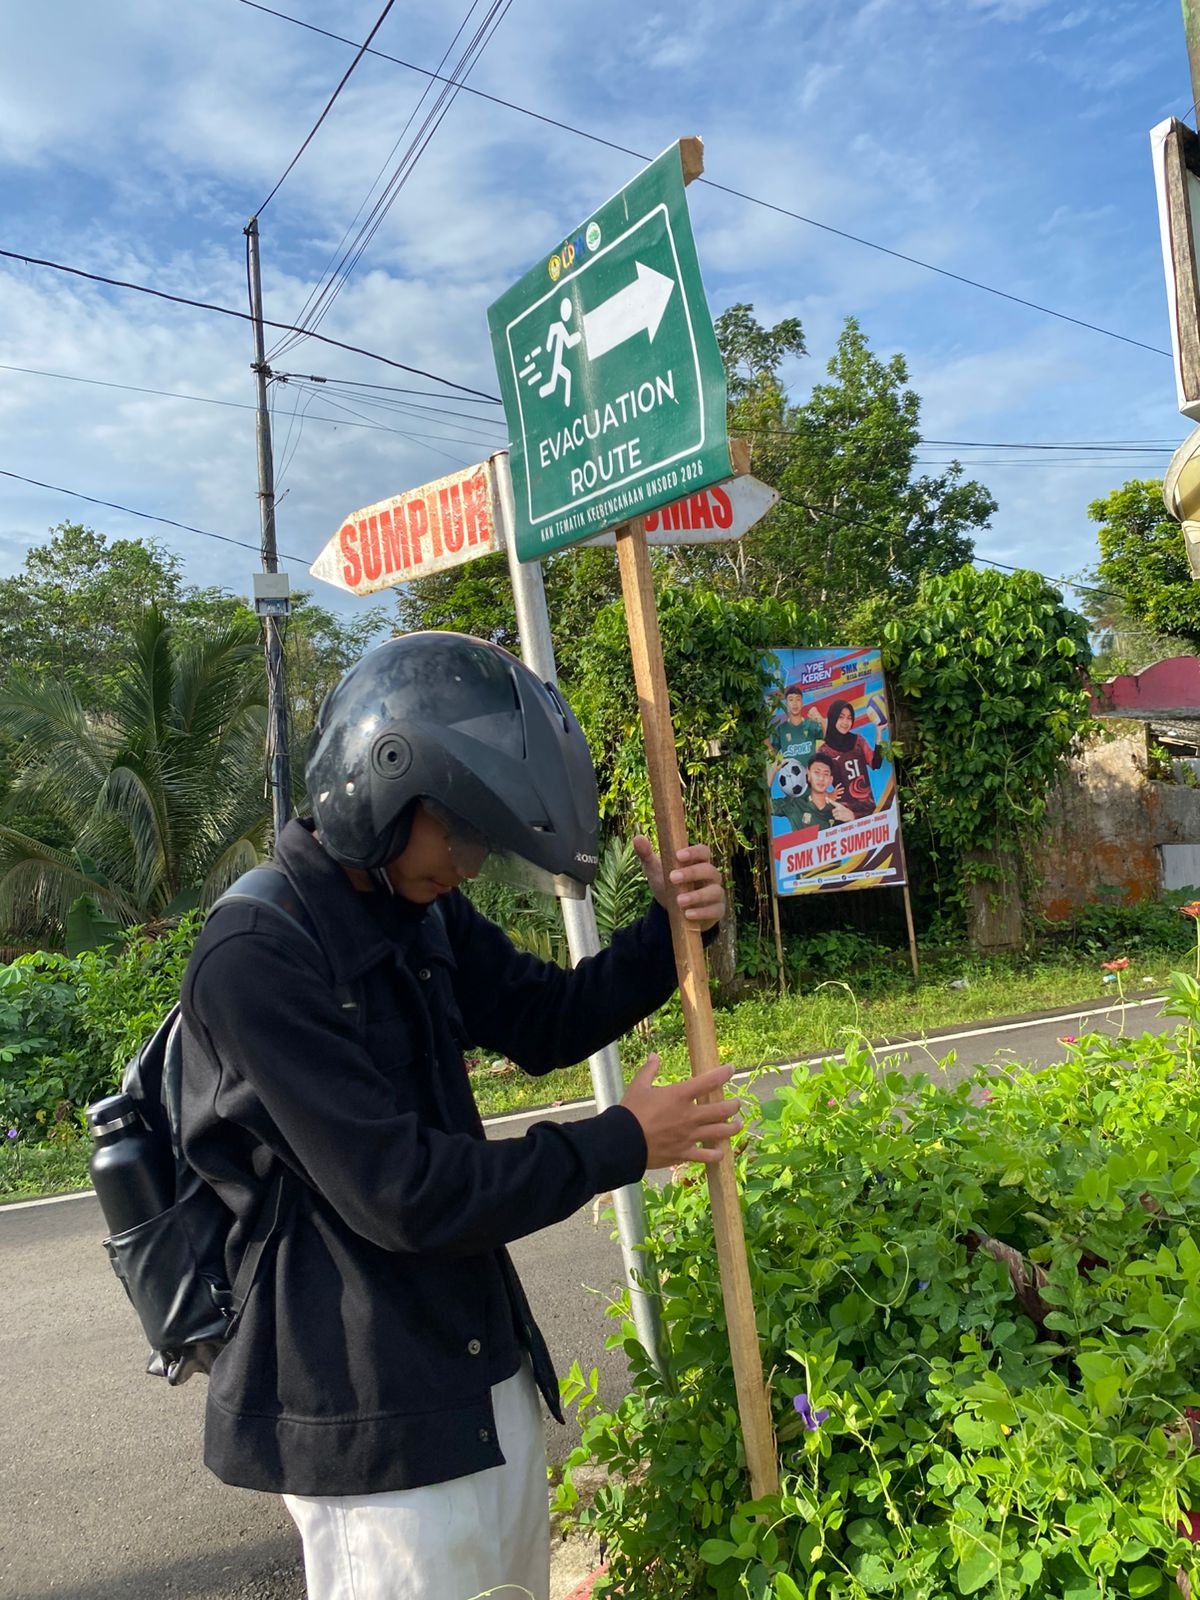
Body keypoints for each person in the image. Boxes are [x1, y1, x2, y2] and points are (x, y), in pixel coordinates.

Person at [178, 631, 740, 1600]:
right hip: (377, 1430)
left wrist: (670, 932)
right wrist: (621, 1141)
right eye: (463, 833)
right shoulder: (256, 955)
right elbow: (406, 1192)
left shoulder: (419, 908)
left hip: (485, 1380)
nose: (475, 862)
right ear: (382, 789)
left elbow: (545, 1017)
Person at [816, 698, 884, 819]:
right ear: (833, 718)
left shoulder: (858, 740)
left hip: (868, 809)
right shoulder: (823, 751)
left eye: (849, 718)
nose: (845, 722)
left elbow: (876, 764)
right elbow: (814, 785)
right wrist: (829, 795)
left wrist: (879, 733)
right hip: (844, 814)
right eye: (841, 717)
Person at [771, 753, 855, 832]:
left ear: (830, 779)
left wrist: (852, 819)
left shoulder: (839, 808)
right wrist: (773, 770)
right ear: (808, 775)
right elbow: (766, 807)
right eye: (817, 773)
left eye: (825, 774)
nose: (821, 778)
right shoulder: (794, 804)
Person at [765, 681, 825, 785]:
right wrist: (765, 740)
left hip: (813, 783)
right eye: (791, 700)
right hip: (791, 784)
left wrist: (821, 720)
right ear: (786, 704)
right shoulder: (781, 730)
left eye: (798, 699)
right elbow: (773, 754)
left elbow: (827, 737)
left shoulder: (811, 725)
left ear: (802, 703)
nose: (795, 703)